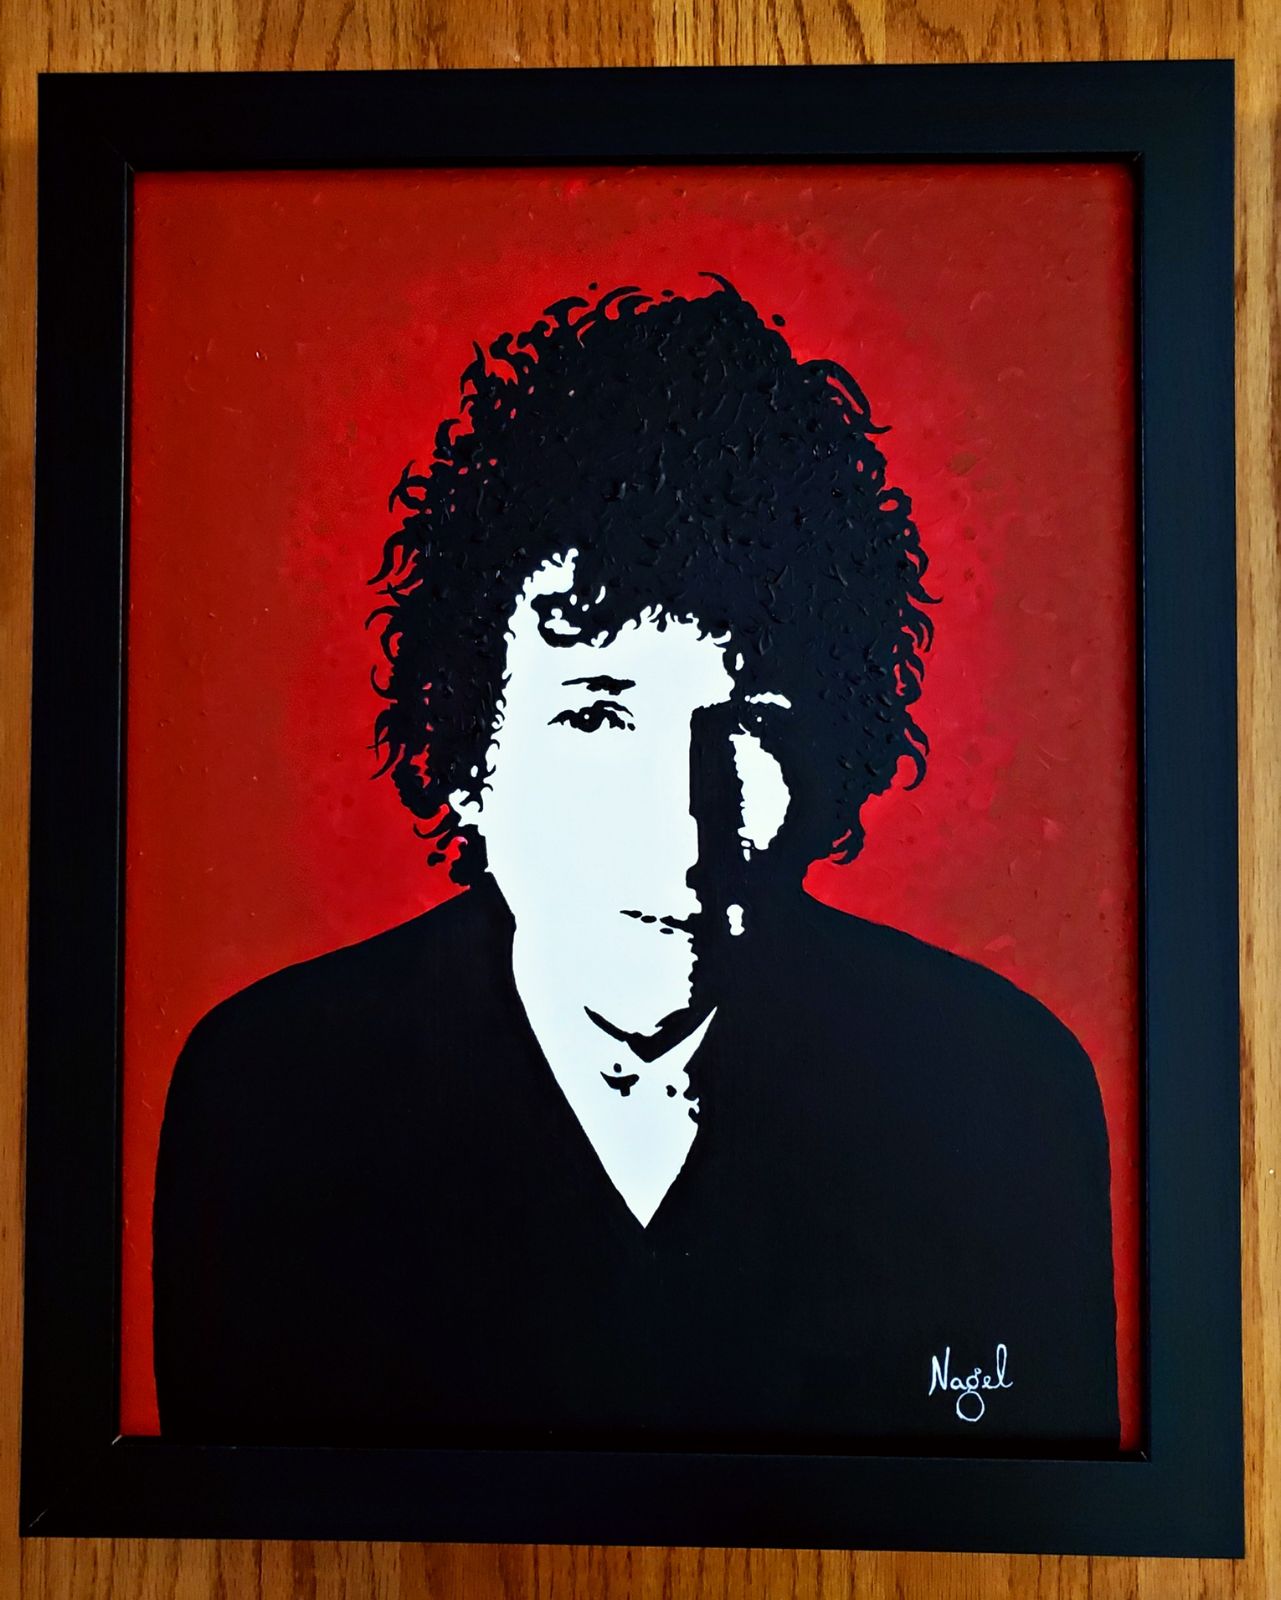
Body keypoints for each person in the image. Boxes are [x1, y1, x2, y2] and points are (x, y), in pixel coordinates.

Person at [153, 276, 1119, 1451]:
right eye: (598, 716)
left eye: (749, 726)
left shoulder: (999, 1094)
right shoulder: (271, 1099)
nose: (682, 831)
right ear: (468, 757)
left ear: (831, 759)